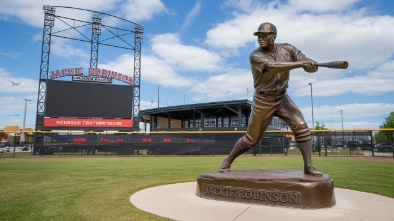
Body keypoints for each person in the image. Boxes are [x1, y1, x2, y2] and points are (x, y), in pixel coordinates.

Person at [219, 22, 322, 176]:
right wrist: (301, 64)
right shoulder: (256, 55)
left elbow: (303, 58)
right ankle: (227, 161)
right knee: (251, 140)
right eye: (258, 35)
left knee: (301, 126)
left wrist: (310, 63)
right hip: (263, 100)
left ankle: (309, 166)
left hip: (282, 98)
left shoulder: (288, 48)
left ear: (274, 36)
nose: (260, 38)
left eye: (264, 35)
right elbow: (273, 66)